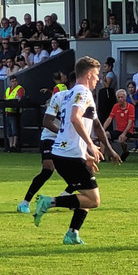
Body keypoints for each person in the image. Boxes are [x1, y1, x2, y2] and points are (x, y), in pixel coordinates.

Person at [33, 57, 120, 244]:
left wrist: (98, 152)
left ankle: (72, 233)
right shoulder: (83, 93)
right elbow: (74, 118)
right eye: (96, 75)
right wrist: (89, 144)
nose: (98, 79)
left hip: (67, 153)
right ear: (89, 74)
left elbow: (95, 125)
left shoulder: (71, 93)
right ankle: (49, 202)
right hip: (69, 155)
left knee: (86, 195)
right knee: (94, 200)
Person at [17, 75, 76, 214]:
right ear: (72, 83)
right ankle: (24, 202)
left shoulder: (83, 100)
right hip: (51, 137)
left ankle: (65, 196)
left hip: (67, 140)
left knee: (82, 171)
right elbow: (47, 122)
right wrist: (63, 133)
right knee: (48, 169)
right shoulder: (60, 96)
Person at [102, 88, 135, 161]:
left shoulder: (131, 107)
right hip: (118, 129)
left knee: (122, 139)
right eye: (118, 97)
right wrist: (102, 129)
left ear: (125, 98)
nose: (120, 99)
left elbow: (130, 123)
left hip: (128, 130)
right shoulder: (115, 106)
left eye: (121, 97)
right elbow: (109, 119)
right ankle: (103, 156)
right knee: (104, 135)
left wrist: (124, 133)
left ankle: (124, 152)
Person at [3, 74, 25, 152]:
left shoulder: (20, 89)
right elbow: (5, 98)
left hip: (15, 112)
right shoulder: (8, 89)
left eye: (15, 81)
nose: (14, 83)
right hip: (7, 111)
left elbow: (19, 99)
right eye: (12, 81)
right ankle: (10, 145)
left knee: (14, 129)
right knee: (9, 130)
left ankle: (14, 145)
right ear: (10, 82)